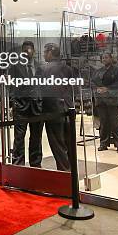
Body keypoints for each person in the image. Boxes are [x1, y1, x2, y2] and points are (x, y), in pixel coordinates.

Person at [9, 41, 43, 167]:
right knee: (19, 137)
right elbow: (11, 86)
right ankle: (18, 164)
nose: (26, 53)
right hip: (20, 106)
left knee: (36, 137)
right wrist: (13, 103)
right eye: (24, 51)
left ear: (33, 51)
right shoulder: (15, 66)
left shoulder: (40, 66)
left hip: (37, 106)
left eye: (28, 50)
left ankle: (36, 163)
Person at [42, 43, 72, 171]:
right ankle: (71, 170)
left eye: (45, 52)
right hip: (67, 108)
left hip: (53, 110)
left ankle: (64, 172)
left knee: (57, 143)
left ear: (50, 52)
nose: (44, 55)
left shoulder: (45, 69)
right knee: (69, 143)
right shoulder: (68, 68)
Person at [92, 52, 118, 153]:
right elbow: (93, 82)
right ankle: (103, 143)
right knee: (104, 123)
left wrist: (107, 89)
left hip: (114, 99)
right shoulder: (98, 71)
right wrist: (97, 89)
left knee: (115, 123)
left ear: (111, 58)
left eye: (106, 57)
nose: (104, 59)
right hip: (101, 100)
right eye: (103, 58)